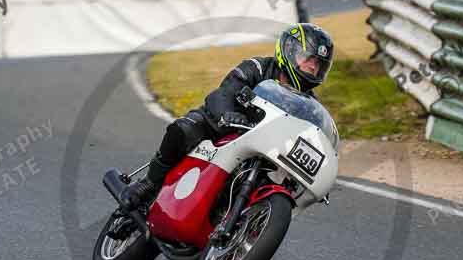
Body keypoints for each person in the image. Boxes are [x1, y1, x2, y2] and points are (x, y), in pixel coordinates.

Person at [120, 23, 334, 210]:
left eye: (319, 65)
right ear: (289, 49)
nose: (312, 67)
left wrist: (319, 170)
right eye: (309, 59)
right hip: (223, 124)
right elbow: (226, 91)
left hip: (262, 147)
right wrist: (227, 115)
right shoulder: (257, 67)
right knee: (183, 128)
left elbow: (308, 137)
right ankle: (148, 184)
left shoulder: (309, 104)